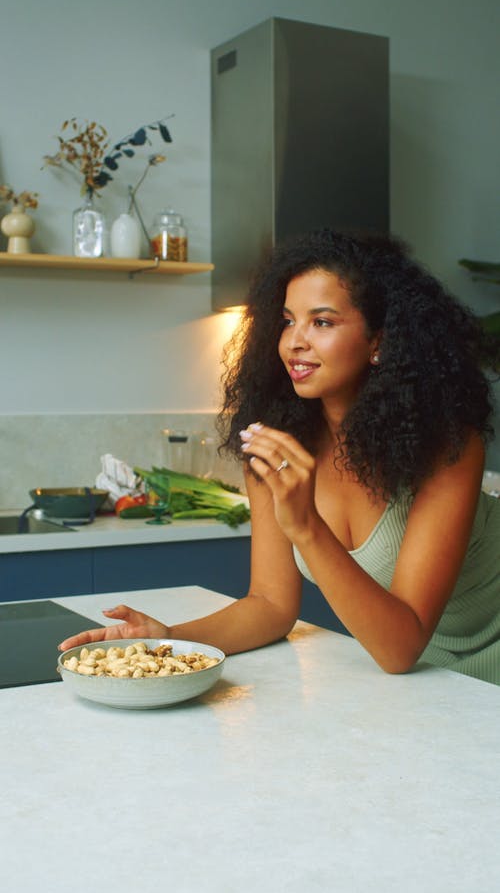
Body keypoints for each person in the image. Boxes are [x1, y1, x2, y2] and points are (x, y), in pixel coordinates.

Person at [59, 228, 500, 685]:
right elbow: (270, 606)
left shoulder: (448, 446)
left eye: (322, 322)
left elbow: (399, 649)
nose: (294, 342)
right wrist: (169, 639)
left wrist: (305, 524)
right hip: (429, 682)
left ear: (379, 342)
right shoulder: (277, 444)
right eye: (289, 321)